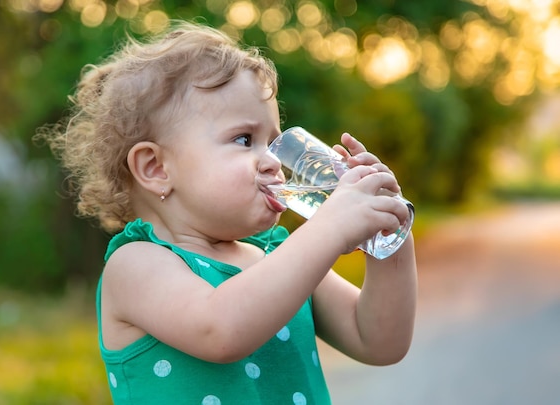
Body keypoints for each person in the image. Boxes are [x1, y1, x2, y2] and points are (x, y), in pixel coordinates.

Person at [38, 20, 417, 405]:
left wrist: (388, 230)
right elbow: (221, 330)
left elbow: (380, 340)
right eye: (244, 139)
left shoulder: (274, 255)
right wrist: (330, 228)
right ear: (156, 168)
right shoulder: (136, 265)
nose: (273, 162)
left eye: (273, 142)